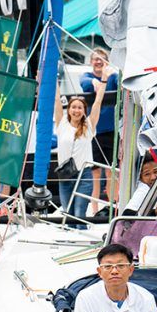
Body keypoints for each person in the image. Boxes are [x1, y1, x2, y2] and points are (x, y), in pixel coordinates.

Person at [80, 49, 120, 208]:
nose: (98, 62)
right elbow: (84, 83)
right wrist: (95, 82)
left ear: (107, 62)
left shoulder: (113, 77)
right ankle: (95, 210)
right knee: (95, 174)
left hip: (111, 131)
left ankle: (113, 208)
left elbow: (121, 83)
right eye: (95, 59)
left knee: (112, 173)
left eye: (101, 59)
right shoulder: (87, 76)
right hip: (94, 133)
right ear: (91, 62)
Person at [54, 91, 100, 222]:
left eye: (80, 107)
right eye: (73, 107)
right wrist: (53, 76)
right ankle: (70, 239)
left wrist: (103, 81)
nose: (76, 110)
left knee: (80, 211)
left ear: (84, 111)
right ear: (68, 110)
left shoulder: (89, 126)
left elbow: (97, 103)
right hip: (65, 174)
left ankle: (81, 232)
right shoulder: (62, 124)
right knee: (68, 212)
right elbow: (57, 100)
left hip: (83, 175)